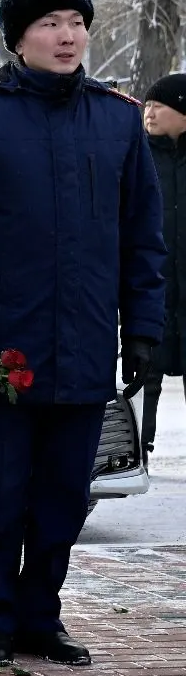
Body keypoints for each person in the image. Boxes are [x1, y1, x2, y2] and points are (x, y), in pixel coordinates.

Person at [0, 0, 164, 668]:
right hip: (5, 345)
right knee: (1, 492)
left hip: (83, 339)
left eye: (77, 23)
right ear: (18, 38)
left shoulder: (116, 118)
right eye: (50, 24)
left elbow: (142, 237)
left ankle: (41, 615)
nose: (67, 36)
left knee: (65, 494)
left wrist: (143, 329)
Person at [144, 73, 186, 451]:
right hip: (151, 289)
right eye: (148, 105)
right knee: (144, 379)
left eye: (159, 106)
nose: (150, 113)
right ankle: (137, 454)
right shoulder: (137, 156)